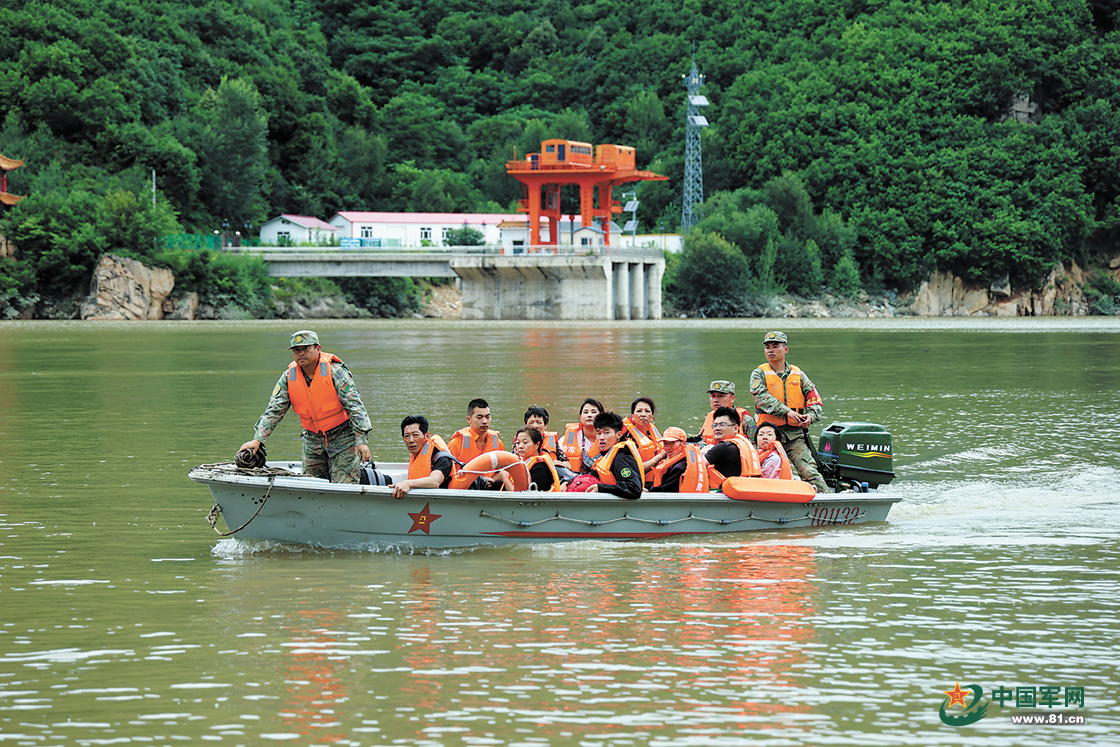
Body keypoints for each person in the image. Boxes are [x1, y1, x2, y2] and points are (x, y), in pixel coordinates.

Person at [239, 330, 371, 484]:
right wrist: (258, 440)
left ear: (318, 348)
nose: (301, 354)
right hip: (312, 441)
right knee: (311, 487)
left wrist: (361, 441)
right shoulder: (289, 377)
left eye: (305, 349)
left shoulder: (336, 372)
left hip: (342, 438)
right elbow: (274, 410)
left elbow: (355, 407)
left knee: (345, 487)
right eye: (297, 350)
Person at [750, 330, 829, 492]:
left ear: (785, 349)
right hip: (767, 435)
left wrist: (810, 416)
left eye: (775, 346)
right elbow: (763, 398)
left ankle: (829, 502)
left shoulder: (798, 374)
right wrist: (788, 412)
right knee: (760, 471)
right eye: (767, 347)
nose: (770, 350)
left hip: (794, 434)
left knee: (809, 471)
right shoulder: (759, 373)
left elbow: (814, 399)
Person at [391, 416, 457, 497]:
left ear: (427, 436)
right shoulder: (417, 454)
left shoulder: (441, 457)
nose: (411, 440)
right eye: (407, 436)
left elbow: (435, 481)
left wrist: (407, 483)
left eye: (415, 435)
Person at [584, 412, 643, 499]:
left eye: (606, 433)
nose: (601, 437)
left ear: (618, 435)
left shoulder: (622, 458)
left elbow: (634, 489)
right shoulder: (607, 454)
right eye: (599, 433)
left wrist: (601, 488)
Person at [648, 427, 715, 493]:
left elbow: (664, 491)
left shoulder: (680, 467)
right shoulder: (677, 461)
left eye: (672, 443)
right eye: (665, 443)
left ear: (683, 443)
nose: (667, 448)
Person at [703, 406, 761, 480]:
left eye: (722, 425)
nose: (717, 428)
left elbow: (698, 466)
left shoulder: (723, 447)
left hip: (722, 489)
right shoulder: (741, 446)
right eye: (715, 425)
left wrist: (702, 453)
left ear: (736, 428)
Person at [447, 398, 505, 462]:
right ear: (469, 419)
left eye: (487, 417)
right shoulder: (456, 443)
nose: (485, 421)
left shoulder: (498, 443)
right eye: (479, 417)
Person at [622, 396, 665, 479]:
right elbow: (633, 470)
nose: (643, 414)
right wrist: (660, 456)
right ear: (633, 416)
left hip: (657, 481)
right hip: (638, 483)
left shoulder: (652, 433)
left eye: (647, 411)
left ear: (652, 417)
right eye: (639, 411)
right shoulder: (627, 439)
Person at [559, 398, 604, 473]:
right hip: (573, 479)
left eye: (593, 412)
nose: (589, 415)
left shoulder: (609, 437)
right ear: (580, 417)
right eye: (586, 412)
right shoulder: (568, 438)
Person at [513, 426, 563, 492]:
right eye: (518, 443)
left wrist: (505, 478)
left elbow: (527, 497)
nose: (520, 446)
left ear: (537, 445)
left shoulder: (541, 469)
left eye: (525, 442)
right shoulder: (521, 462)